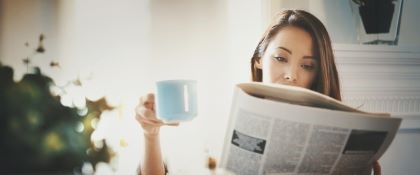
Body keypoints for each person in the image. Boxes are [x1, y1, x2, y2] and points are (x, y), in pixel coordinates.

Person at [135, 9, 381, 175]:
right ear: (259, 60)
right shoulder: (225, 120)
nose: (291, 75)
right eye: (280, 58)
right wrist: (150, 135)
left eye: (307, 66)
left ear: (319, 73)